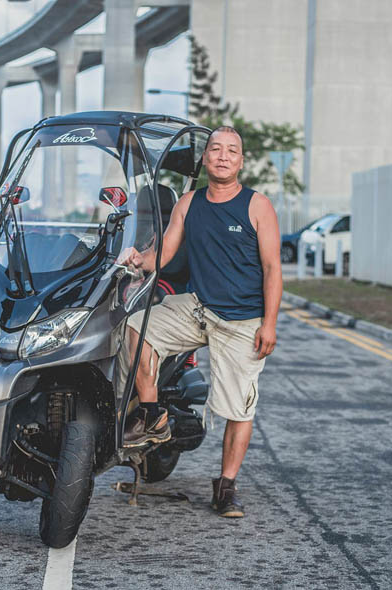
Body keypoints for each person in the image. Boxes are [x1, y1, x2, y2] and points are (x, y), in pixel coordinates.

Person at [119, 126, 282, 517]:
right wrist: (138, 260)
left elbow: (273, 268)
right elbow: (164, 251)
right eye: (216, 149)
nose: (223, 156)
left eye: (232, 151)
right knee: (136, 327)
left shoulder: (257, 205)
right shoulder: (188, 203)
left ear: (241, 161)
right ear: (206, 158)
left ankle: (226, 486)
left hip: (243, 319)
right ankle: (152, 415)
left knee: (238, 409)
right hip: (199, 307)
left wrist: (269, 324)